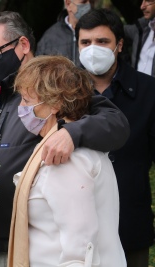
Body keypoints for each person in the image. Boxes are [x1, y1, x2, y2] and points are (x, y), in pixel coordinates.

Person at [0, 11, 129, 267]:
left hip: (42, 244)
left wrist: (72, 133)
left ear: (23, 45)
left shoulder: (55, 85)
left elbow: (115, 121)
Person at [7, 55, 126, 267]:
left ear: (54, 104)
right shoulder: (61, 142)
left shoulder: (65, 157)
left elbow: (79, 249)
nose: (21, 107)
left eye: (26, 100)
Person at [76, 8, 155, 267]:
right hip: (77, 226)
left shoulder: (147, 91)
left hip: (130, 221)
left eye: (102, 41)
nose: (93, 49)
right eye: (85, 42)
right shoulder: (65, 94)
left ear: (119, 45)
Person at [35, 0, 91, 66]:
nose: (89, 5)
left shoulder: (97, 32)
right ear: (68, 4)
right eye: (83, 2)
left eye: (90, 1)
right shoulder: (50, 37)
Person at [124, 0, 155, 76]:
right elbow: (114, 29)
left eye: (148, 1)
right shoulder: (141, 29)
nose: (142, 7)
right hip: (136, 86)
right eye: (142, 1)